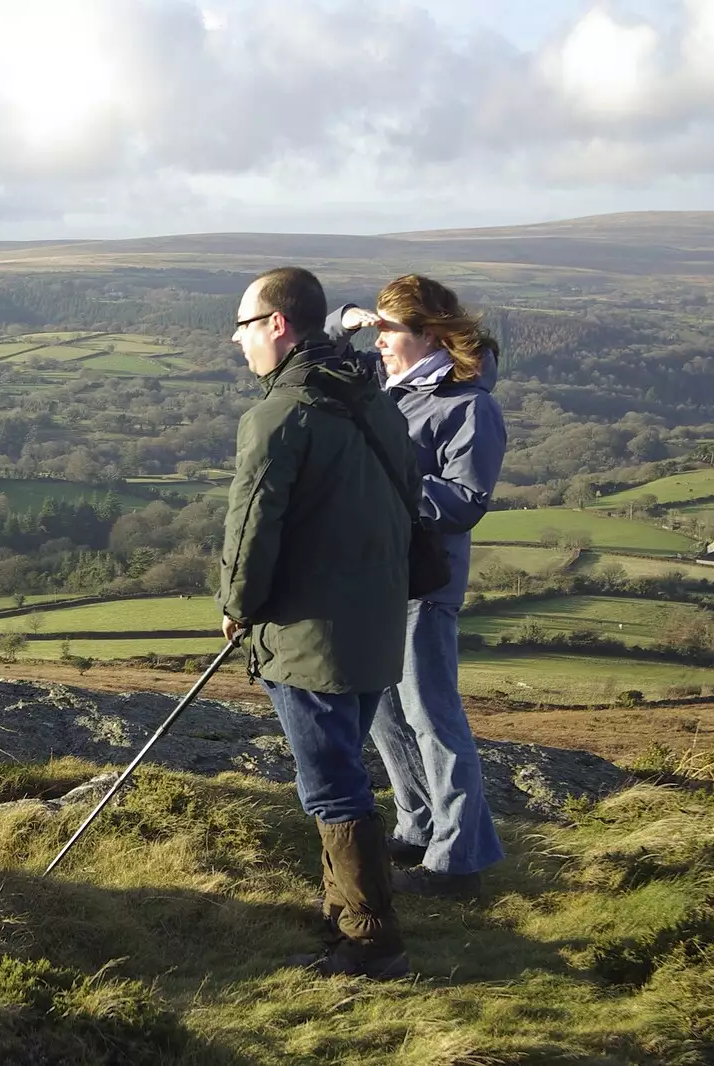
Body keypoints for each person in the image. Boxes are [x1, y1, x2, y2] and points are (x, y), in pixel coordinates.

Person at [217, 266, 420, 979]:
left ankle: (369, 938)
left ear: (277, 324)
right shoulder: (370, 399)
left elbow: (250, 526)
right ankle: (343, 918)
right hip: (373, 623)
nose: (238, 343)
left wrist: (238, 605)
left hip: (311, 632)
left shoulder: (280, 415)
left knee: (332, 782)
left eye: (243, 327)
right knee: (344, 770)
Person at [328, 274, 508, 898]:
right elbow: (324, 356)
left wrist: (388, 488)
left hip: (423, 581)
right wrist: (347, 319)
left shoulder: (468, 405)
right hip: (375, 577)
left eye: (389, 329)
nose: (378, 340)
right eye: (374, 327)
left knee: (431, 715)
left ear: (428, 335)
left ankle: (459, 864)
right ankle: (419, 824)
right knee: (379, 710)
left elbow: (465, 501)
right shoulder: (389, 385)